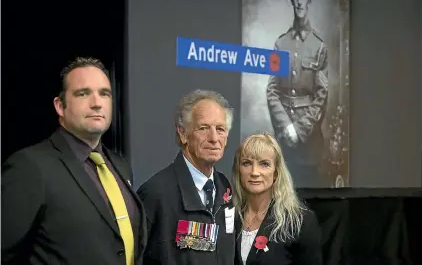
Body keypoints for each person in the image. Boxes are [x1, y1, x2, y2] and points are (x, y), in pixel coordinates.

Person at [2, 57, 147, 265]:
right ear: (60, 106)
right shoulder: (29, 167)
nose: (97, 103)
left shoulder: (120, 166)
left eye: (104, 94)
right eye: (83, 93)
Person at [137, 89, 236, 265]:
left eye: (220, 129)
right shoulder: (155, 194)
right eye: (203, 128)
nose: (214, 138)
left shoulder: (224, 187)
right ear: (183, 134)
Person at [266, 0, 329, 187]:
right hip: (283, 141)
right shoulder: (280, 44)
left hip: (309, 143)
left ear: (309, 0)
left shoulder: (319, 47)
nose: (300, 1)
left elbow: (322, 96)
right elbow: (272, 91)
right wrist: (286, 127)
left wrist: (299, 130)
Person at [232, 133, 322, 265]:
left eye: (264, 164)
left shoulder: (300, 221)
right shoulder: (227, 217)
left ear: (276, 173)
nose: (254, 172)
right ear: (238, 171)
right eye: (246, 163)